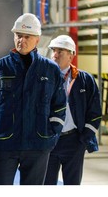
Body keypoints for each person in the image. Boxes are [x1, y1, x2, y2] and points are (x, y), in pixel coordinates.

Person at [0, 13, 67, 185]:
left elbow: (60, 107)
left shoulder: (50, 70)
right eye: (18, 35)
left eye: (27, 36)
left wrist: (50, 136)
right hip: (4, 145)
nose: (21, 40)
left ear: (37, 39)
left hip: (38, 146)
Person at [44, 35, 102, 185]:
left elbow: (95, 111)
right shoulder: (44, 79)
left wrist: (84, 137)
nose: (55, 55)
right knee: (46, 185)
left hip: (74, 141)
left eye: (60, 51)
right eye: (53, 51)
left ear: (71, 55)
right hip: (49, 140)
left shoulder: (84, 80)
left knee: (73, 184)